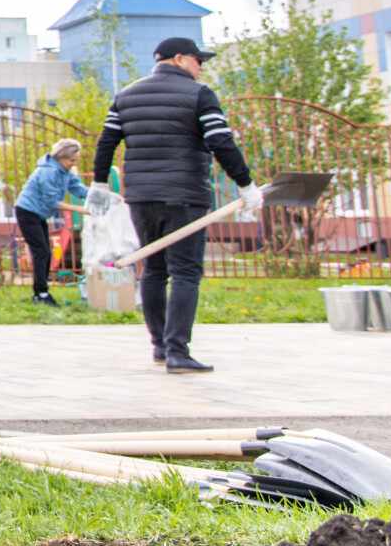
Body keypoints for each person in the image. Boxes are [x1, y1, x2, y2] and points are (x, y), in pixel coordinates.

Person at [87, 37, 261, 374]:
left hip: (141, 198)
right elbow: (220, 141)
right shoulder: (199, 94)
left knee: (153, 269)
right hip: (183, 195)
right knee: (185, 272)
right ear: (179, 58)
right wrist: (246, 184)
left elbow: (106, 141)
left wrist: (99, 182)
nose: (201, 67)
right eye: (198, 60)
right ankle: (179, 352)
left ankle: (162, 348)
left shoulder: (126, 95)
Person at [12, 138, 88, 306]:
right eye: (71, 160)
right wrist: (80, 209)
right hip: (27, 212)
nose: (74, 164)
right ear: (61, 157)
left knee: (45, 252)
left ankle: (41, 293)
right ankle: (41, 294)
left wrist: (103, 196)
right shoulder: (49, 172)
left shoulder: (64, 171)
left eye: (76, 160)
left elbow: (78, 189)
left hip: (38, 214)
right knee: (42, 252)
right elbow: (52, 202)